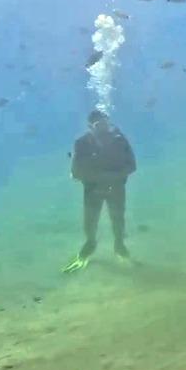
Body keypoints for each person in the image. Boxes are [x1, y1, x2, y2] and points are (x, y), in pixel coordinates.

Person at [63, 110, 137, 273]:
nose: (103, 128)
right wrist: (101, 178)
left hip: (115, 187)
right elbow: (75, 172)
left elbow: (132, 165)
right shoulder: (81, 143)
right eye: (98, 125)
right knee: (90, 221)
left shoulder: (120, 140)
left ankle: (119, 246)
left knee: (118, 219)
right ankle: (90, 245)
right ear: (90, 127)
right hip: (93, 189)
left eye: (106, 124)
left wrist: (112, 177)